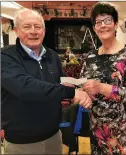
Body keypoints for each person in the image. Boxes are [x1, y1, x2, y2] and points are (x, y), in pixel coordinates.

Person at [1, 8, 92, 154]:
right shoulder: (5, 57)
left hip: (53, 137)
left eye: (38, 27)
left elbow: (58, 86)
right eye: (27, 26)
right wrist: (71, 92)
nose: (33, 31)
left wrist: (77, 89)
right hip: (21, 142)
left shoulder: (53, 56)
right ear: (17, 30)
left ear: (44, 31)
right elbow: (25, 87)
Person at [80, 2, 126, 155]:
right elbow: (82, 85)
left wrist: (101, 88)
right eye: (98, 22)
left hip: (124, 130)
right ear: (94, 28)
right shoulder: (90, 57)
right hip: (98, 129)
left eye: (107, 20)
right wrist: (82, 93)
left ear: (116, 25)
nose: (103, 25)